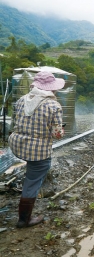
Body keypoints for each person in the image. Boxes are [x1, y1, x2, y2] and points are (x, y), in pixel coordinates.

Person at [8, 71, 65, 228]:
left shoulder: (21, 100)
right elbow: (57, 134)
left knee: (31, 168)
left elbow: (16, 122)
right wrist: (61, 130)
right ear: (51, 89)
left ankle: (28, 177)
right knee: (32, 181)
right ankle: (24, 220)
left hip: (17, 145)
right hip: (37, 150)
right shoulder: (53, 105)